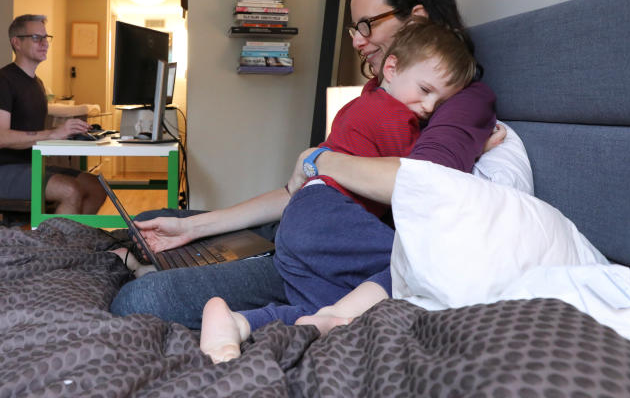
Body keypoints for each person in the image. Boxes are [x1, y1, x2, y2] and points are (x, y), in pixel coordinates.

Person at [109, 0, 501, 329]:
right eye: (354, 29)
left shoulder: (461, 99)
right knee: (162, 220)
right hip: (310, 218)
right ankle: (181, 242)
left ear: (415, 19)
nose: (358, 42)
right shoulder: (382, 95)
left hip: (333, 250)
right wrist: (191, 228)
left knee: (143, 299)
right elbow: (299, 189)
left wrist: (318, 159)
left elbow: (423, 181)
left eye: (367, 25)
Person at [198, 19, 478, 362]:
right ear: (391, 68)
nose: (430, 108)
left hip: (301, 219)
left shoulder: (363, 101)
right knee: (419, 259)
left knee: (317, 308)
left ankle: (238, 324)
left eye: (440, 101)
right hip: (328, 211)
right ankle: (321, 316)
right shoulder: (391, 114)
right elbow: (419, 173)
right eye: (425, 90)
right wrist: (477, 148)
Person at [0, 15, 106, 215]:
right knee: (70, 190)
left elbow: (31, 131)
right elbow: (1, 138)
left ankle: (75, 241)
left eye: (46, 37)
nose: (45, 43)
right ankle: (53, 245)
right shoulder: (1, 81)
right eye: (37, 38)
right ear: (16, 42)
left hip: (28, 166)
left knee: (96, 186)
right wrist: (52, 134)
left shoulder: (37, 84)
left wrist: (66, 132)